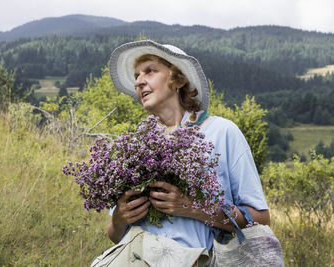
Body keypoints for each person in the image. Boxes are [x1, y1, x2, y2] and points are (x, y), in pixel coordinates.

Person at [107, 40, 270, 266]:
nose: (139, 81)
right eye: (136, 76)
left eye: (150, 71)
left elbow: (260, 219)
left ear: (179, 80)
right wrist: (119, 218)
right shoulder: (137, 145)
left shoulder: (222, 132)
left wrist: (193, 208)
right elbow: (115, 235)